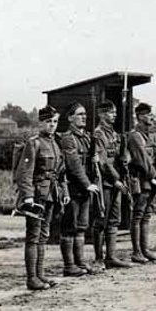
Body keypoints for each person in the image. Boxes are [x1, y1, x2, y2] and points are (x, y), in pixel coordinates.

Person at [14, 105, 69, 290]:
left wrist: (65, 192)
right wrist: (28, 196)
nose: (52, 125)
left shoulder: (55, 143)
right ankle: (32, 278)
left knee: (43, 236)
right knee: (33, 236)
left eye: (55, 121)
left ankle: (40, 275)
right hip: (37, 195)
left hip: (52, 194)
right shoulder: (34, 143)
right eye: (48, 122)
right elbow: (25, 173)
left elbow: (60, 173)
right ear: (41, 123)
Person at [58, 103, 101, 276]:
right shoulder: (68, 138)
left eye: (85, 114)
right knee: (70, 226)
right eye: (79, 114)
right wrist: (87, 183)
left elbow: (89, 161)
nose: (84, 117)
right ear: (70, 118)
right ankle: (69, 266)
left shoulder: (86, 138)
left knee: (81, 226)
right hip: (72, 187)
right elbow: (74, 164)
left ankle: (80, 263)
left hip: (84, 188)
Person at [92, 100, 132, 268]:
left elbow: (120, 158)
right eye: (110, 112)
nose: (114, 115)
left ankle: (111, 256)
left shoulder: (114, 134)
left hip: (117, 182)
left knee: (114, 220)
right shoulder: (99, 134)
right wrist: (116, 180)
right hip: (106, 183)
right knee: (102, 220)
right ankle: (99, 258)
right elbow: (103, 163)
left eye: (115, 112)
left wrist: (126, 157)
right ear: (101, 115)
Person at [126, 102, 156, 263]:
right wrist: (155, 178)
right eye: (149, 115)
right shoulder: (135, 136)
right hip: (142, 181)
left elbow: (153, 157)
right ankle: (136, 252)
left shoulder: (147, 136)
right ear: (141, 117)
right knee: (138, 215)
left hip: (150, 181)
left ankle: (144, 249)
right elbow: (142, 160)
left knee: (146, 215)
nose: (152, 118)